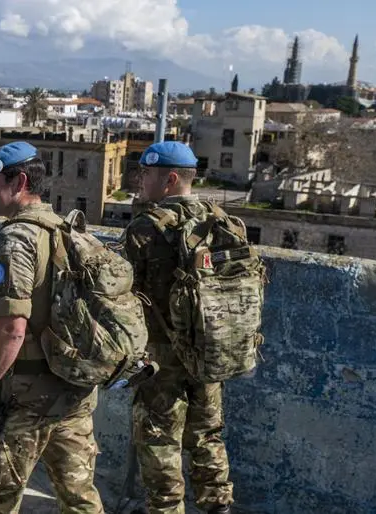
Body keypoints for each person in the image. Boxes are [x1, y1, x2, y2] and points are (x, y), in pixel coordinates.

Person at [0, 141, 105, 514]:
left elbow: (12, 329)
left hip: (28, 397)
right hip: (74, 387)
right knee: (79, 496)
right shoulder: (68, 230)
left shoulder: (16, 238)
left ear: (19, 181)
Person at [123, 141, 234, 514]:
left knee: (159, 442)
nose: (140, 179)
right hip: (211, 350)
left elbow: (122, 294)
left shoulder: (145, 229)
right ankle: (218, 506)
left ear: (170, 179)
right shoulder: (222, 222)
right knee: (207, 435)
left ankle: (167, 509)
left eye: (147, 173)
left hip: (163, 359)